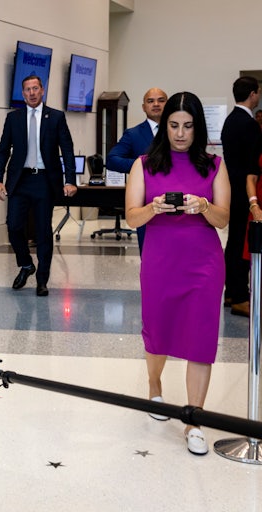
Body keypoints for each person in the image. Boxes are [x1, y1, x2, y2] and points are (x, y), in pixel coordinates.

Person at [124, 91, 230, 455]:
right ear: (163, 125)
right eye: (173, 125)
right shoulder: (144, 164)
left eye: (187, 126)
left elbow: (224, 218)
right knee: (158, 332)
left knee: (200, 339)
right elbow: (131, 216)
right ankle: (154, 386)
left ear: (197, 127)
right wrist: (153, 207)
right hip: (160, 262)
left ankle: (194, 420)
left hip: (203, 265)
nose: (180, 133)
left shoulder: (213, 165)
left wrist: (203, 206)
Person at [0, 75, 77, 296]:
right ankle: (26, 264)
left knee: (42, 232)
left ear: (42, 91)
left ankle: (42, 279)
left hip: (44, 181)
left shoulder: (56, 117)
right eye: (27, 89)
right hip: (20, 181)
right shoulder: (13, 118)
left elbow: (67, 149)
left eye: (35, 88)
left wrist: (70, 180)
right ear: (23, 93)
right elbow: (3, 150)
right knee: (13, 226)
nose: (31, 93)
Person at [106, 88, 168, 254]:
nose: (156, 104)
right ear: (143, 107)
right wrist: (143, 165)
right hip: (146, 204)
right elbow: (112, 160)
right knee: (149, 256)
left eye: (161, 100)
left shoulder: (178, 131)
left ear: (168, 104)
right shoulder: (133, 134)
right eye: (150, 101)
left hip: (178, 202)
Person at [220, 76, 262, 317]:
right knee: (241, 245)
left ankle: (230, 292)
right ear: (253, 94)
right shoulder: (248, 124)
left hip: (232, 190)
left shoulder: (230, 120)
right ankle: (239, 296)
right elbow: (252, 164)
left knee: (234, 242)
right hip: (245, 192)